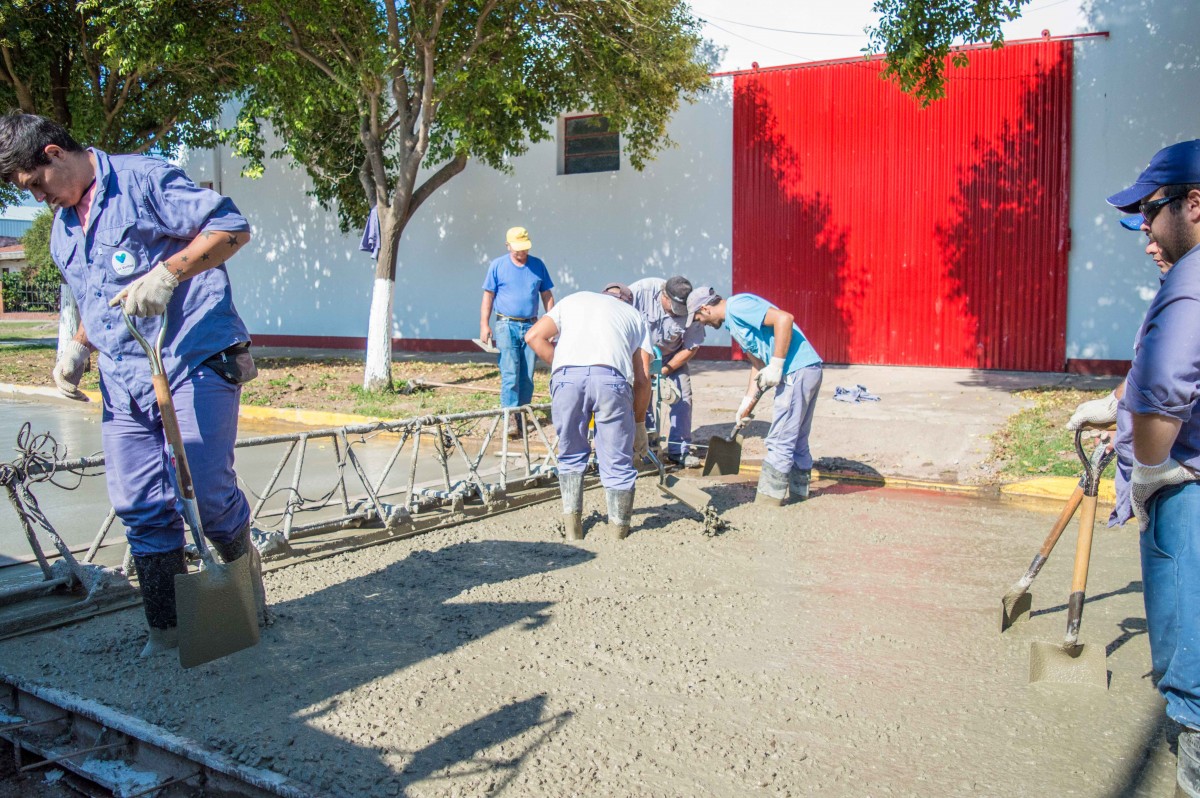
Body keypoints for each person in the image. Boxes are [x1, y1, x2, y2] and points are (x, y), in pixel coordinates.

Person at [0, 112, 263, 658]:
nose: (39, 198)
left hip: (191, 356)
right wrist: (79, 346)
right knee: (140, 504)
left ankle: (247, 599)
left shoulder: (143, 180)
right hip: (123, 379)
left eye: (36, 184)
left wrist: (168, 272)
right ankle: (168, 632)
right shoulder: (63, 228)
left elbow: (232, 227)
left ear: (53, 153)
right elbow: (98, 297)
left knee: (206, 493)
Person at [1104, 139, 1200, 797]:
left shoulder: (1191, 284)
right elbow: (1156, 370)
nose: (1145, 237)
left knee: (1188, 642)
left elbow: (1164, 389)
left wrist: (1147, 469)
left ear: (1193, 204)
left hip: (1185, 487)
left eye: (1149, 213)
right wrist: (1111, 406)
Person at [1067, 219, 1174, 530]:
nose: (1149, 248)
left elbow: (1170, 378)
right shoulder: (1172, 293)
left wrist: (1119, 406)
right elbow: (1149, 369)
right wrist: (1122, 420)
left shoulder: (1188, 301)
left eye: (1155, 236)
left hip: (1175, 477)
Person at [525, 283, 652, 541]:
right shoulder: (634, 316)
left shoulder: (574, 300)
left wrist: (563, 364)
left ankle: (573, 530)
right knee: (617, 461)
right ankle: (618, 533)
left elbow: (533, 337)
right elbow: (642, 378)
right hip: (611, 381)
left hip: (567, 380)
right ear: (626, 301)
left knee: (570, 455)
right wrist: (639, 425)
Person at [689, 286, 822, 505]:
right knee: (796, 439)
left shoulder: (737, 306)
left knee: (780, 440)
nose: (702, 323)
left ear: (705, 308)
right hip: (806, 370)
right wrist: (747, 403)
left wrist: (777, 365)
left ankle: (767, 504)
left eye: (698, 318)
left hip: (796, 370)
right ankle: (800, 496)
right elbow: (759, 366)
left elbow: (785, 319)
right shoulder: (733, 323)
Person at [479, 226, 555, 434]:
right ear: (508, 246)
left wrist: (552, 323)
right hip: (506, 324)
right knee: (510, 372)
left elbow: (546, 295)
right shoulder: (497, 266)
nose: (522, 252)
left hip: (532, 326)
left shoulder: (537, 265)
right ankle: (510, 418)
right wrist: (484, 324)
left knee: (527, 375)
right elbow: (488, 296)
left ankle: (522, 414)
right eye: (517, 248)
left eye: (525, 248)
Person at [629, 275, 705, 467]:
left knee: (682, 398)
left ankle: (679, 451)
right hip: (640, 356)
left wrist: (664, 369)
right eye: (674, 307)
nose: (676, 313)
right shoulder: (640, 292)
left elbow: (691, 347)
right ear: (664, 295)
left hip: (672, 357)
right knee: (642, 399)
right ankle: (646, 449)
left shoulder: (693, 306)